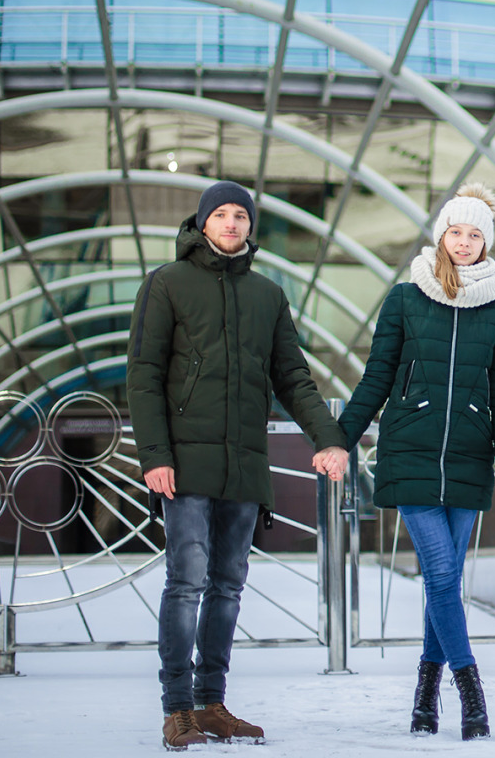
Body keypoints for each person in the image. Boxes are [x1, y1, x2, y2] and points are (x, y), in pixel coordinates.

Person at [128, 180, 350, 751]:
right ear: (202, 223)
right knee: (188, 582)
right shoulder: (166, 285)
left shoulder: (267, 295)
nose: (231, 223)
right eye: (220, 214)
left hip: (245, 465)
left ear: (251, 227)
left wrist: (329, 438)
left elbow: (293, 378)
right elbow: (144, 375)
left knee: (227, 587)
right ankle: (177, 708)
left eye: (240, 215)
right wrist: (154, 456)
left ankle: (212, 703)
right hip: (183, 465)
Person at [335, 183, 495, 742]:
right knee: (442, 575)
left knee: (443, 583)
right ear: (440, 234)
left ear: (486, 244)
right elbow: (376, 377)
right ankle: (470, 691)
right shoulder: (405, 298)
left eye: (475, 235)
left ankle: (424, 695)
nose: (463, 242)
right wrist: (340, 440)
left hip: (469, 456)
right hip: (411, 451)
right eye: (455, 231)